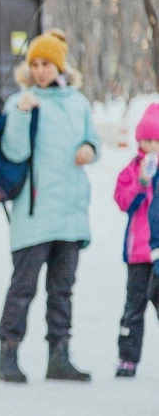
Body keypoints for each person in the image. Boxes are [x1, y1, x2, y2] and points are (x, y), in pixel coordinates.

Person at [0, 29, 99, 383]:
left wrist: (90, 147)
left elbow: (93, 139)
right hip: (34, 215)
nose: (40, 70)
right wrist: (22, 115)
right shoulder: (20, 102)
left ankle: (60, 357)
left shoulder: (78, 102)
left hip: (70, 215)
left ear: (59, 65)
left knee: (63, 290)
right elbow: (14, 153)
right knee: (23, 288)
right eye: (35, 63)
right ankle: (8, 356)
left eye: (47, 63)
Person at [115, 103, 159, 378]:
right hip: (138, 253)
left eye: (156, 140)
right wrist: (142, 183)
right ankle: (127, 358)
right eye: (146, 139)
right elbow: (123, 201)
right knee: (133, 307)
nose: (151, 145)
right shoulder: (133, 170)